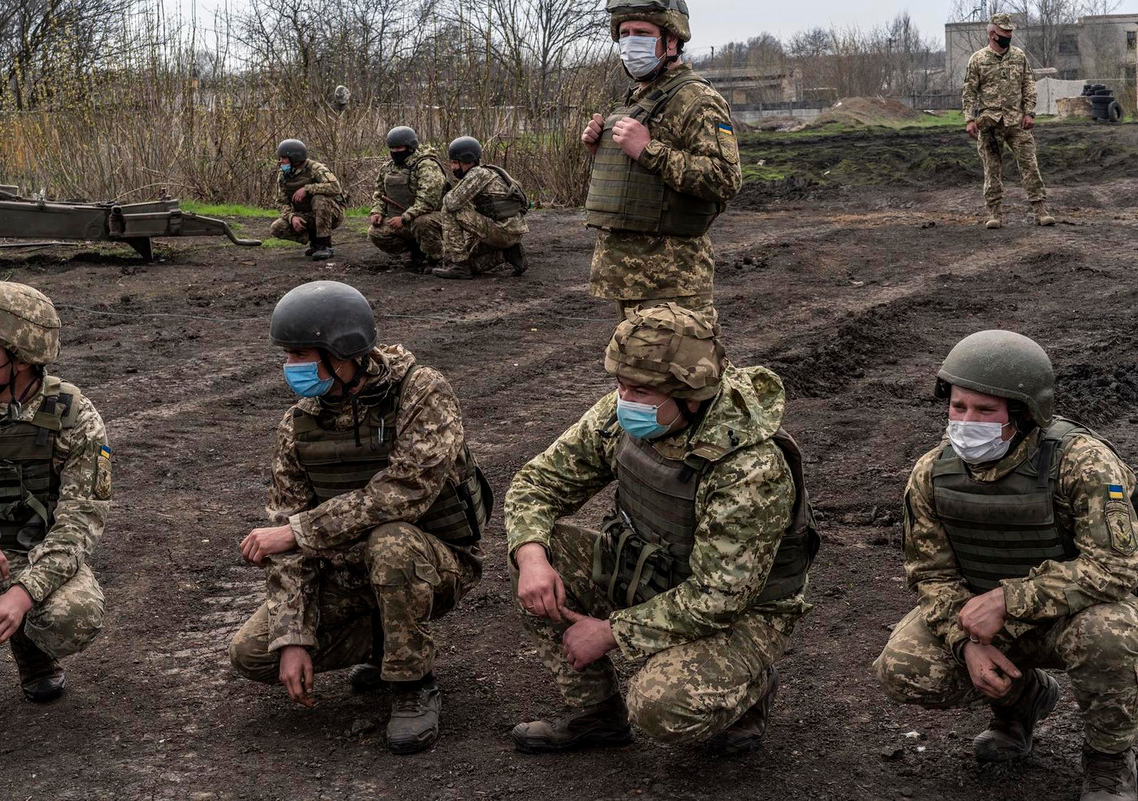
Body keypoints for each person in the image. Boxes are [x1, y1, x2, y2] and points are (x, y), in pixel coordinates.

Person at [506, 303, 818, 754]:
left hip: (743, 611)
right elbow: (538, 482)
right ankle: (596, 716)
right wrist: (532, 557)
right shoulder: (628, 412)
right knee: (536, 555)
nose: (624, 400)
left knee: (660, 707)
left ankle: (748, 688)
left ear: (691, 396)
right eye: (620, 385)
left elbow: (718, 597)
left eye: (641, 391)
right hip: (656, 570)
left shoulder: (748, 468)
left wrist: (612, 632)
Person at [228, 281, 491, 755]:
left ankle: (413, 685)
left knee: (391, 542)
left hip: (434, 562)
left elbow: (405, 492)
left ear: (344, 350)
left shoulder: (422, 392)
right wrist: (293, 637)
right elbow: (289, 529)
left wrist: (300, 531)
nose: (292, 368)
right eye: (287, 355)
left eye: (302, 354)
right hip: (347, 573)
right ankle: (383, 644)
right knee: (251, 654)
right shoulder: (299, 424)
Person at [875, 330, 1138, 801]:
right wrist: (965, 645)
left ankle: (1109, 759)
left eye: (984, 410)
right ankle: (1020, 705)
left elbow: (1116, 569)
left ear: (1022, 413)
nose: (966, 421)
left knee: (1110, 636)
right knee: (903, 667)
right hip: (985, 624)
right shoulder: (932, 473)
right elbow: (932, 575)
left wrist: (1008, 598)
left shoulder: (1083, 463)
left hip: (1073, 617)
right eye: (958, 407)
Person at [0, 281, 110, 742]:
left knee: (74, 615)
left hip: (30, 559)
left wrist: (23, 594)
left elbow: (79, 523)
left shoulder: (72, 416)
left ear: (24, 358)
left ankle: (32, 645)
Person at [581, 0, 742, 321]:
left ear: (672, 40)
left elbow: (726, 178)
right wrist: (603, 153)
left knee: (689, 371)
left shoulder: (697, 99)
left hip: (672, 278)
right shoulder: (637, 99)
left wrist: (647, 150)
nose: (630, 42)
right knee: (635, 372)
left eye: (641, 32)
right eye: (624, 33)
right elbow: (640, 184)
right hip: (630, 275)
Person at [962, 13, 1056, 229]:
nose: (1009, 34)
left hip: (1017, 123)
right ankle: (994, 213)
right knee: (992, 169)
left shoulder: (1019, 57)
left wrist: (1030, 113)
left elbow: (1028, 86)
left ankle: (1040, 211)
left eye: (1011, 31)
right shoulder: (978, 59)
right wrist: (969, 119)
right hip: (989, 124)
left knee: (1030, 165)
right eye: (1005, 31)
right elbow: (969, 91)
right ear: (992, 34)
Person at [430, 136, 528, 280]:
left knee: (448, 210)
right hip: (510, 230)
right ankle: (508, 254)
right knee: (472, 263)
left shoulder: (477, 174)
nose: (452, 168)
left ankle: (460, 265)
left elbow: (451, 203)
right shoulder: (491, 172)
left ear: (467, 160)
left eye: (455, 163)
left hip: (501, 230)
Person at [368, 126, 447, 273]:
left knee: (422, 222)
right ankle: (417, 251)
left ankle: (436, 258)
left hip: (434, 218)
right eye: (392, 148)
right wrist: (377, 211)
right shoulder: (388, 168)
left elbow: (428, 200)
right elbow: (379, 193)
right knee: (375, 232)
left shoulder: (427, 166)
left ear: (410, 147)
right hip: (404, 220)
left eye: (399, 148)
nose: (395, 152)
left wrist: (405, 218)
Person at [268, 139, 346, 260]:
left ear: (294, 158)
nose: (281, 161)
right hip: (306, 214)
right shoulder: (283, 175)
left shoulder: (315, 168)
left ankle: (325, 245)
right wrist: (292, 217)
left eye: (284, 158)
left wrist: (308, 189)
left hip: (331, 213)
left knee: (319, 199)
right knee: (277, 227)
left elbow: (335, 187)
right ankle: (314, 241)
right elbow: (281, 202)